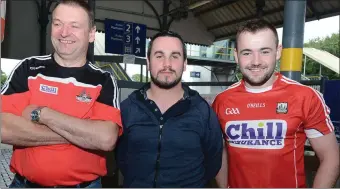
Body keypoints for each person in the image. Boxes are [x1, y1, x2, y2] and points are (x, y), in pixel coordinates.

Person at [1, 0, 122, 187]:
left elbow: (105, 139)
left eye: (74, 26)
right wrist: (81, 133)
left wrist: (43, 114)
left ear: (91, 34)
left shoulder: (103, 80)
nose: (64, 32)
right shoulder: (29, 69)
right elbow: (3, 128)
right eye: (58, 24)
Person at [212, 19, 340, 188]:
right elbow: (218, 151)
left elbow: (331, 158)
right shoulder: (222, 101)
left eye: (264, 51)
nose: (256, 61)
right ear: (236, 55)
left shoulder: (306, 97)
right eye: (247, 53)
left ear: (278, 52)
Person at [116, 31, 223, 187]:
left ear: (184, 63)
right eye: (159, 56)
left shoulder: (203, 112)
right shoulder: (128, 108)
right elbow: (121, 159)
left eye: (175, 56)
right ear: (148, 62)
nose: (167, 64)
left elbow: (212, 163)